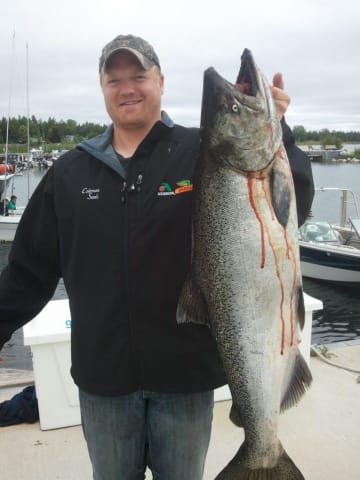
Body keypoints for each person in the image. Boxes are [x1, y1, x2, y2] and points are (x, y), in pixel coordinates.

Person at [0, 35, 314, 479]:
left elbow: (291, 199)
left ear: (161, 82)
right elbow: (28, 272)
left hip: (184, 382)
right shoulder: (69, 173)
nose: (127, 88)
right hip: (103, 383)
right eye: (115, 79)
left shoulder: (203, 152)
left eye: (139, 76)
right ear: (103, 88)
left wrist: (282, 131)